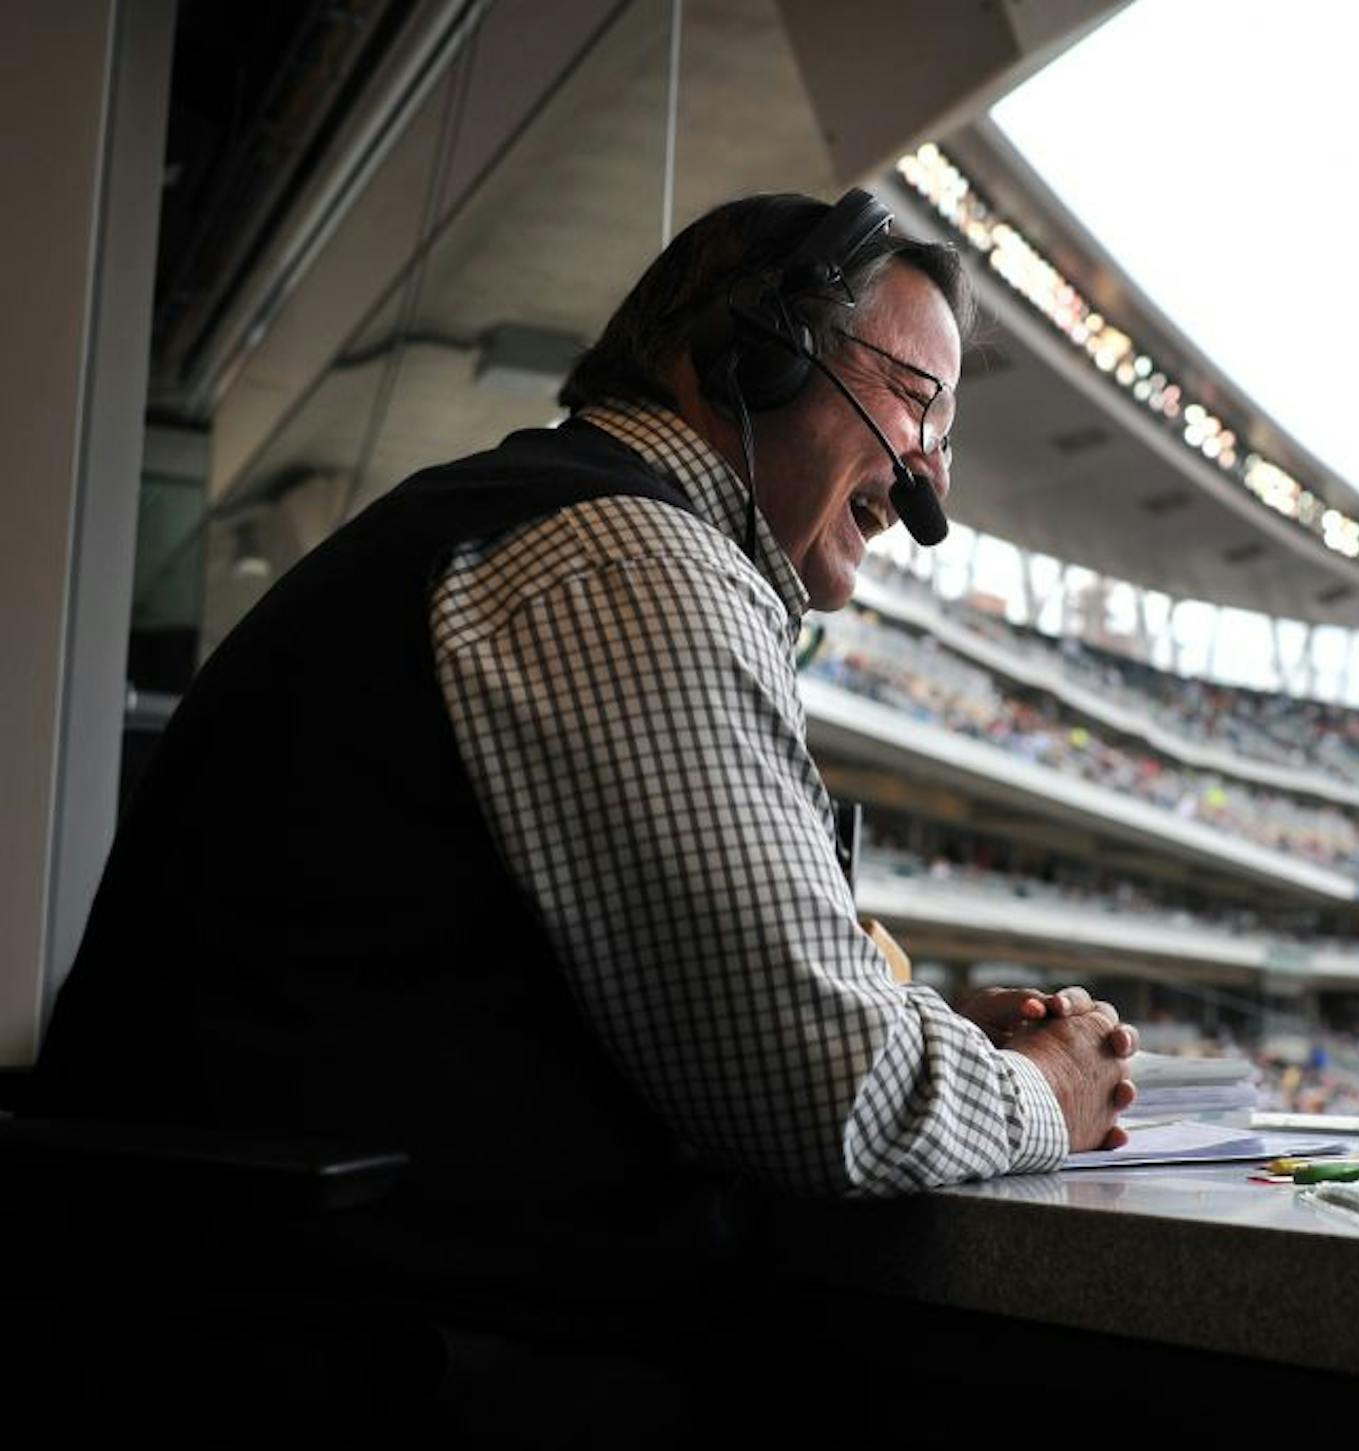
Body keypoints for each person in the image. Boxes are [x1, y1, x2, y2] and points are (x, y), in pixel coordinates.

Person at [28, 191, 1138, 1303]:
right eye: (914, 403)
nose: (928, 482)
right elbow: (831, 1099)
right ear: (756, 354)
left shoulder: (560, 523)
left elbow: (701, 1017)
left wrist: (913, 1028)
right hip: (346, 1330)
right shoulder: (627, 561)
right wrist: (1046, 1086)